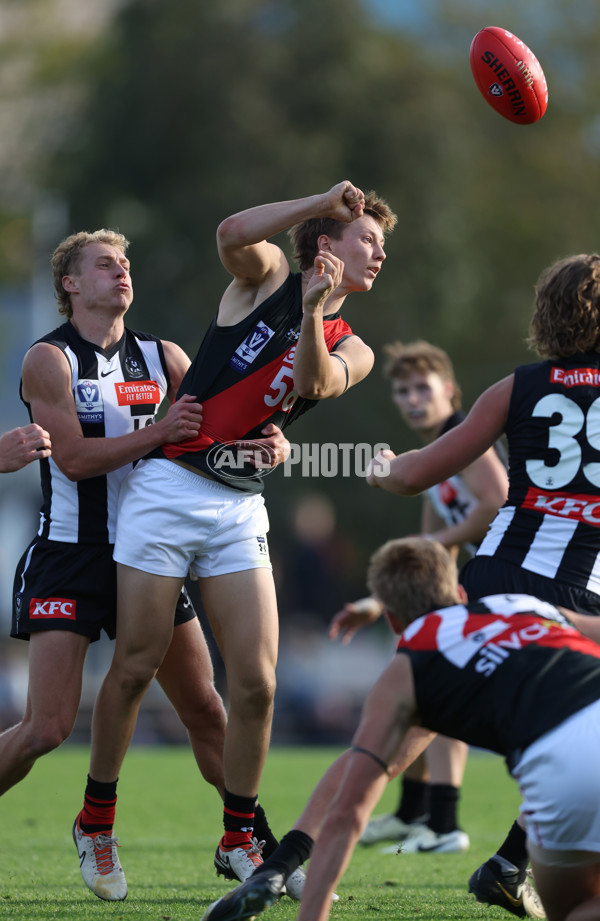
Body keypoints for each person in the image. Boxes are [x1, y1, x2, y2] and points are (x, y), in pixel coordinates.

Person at [78, 181, 396, 897]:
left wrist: (317, 315)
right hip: (167, 489)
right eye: (367, 238)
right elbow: (229, 231)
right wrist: (320, 201)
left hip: (238, 507)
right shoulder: (269, 280)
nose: (379, 253)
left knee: (256, 683)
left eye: (381, 243)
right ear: (327, 243)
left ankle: (237, 837)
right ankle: (96, 820)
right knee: (134, 664)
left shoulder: (358, 345)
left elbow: (317, 379)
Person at [2, 228, 288, 902]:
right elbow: (72, 459)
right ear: (71, 284)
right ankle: (95, 826)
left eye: (126, 263)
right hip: (72, 555)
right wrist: (164, 430)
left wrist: (266, 438)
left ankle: (254, 840)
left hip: (154, 552)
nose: (121, 272)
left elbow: (224, 420)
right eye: (104, 264)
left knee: (206, 707)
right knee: (46, 725)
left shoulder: (164, 357)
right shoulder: (49, 359)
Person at [363, 252, 600, 917]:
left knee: (419, 712)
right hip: (578, 597)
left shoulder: (516, 387)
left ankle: (302, 845)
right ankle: (512, 859)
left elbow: (416, 475)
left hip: (494, 575)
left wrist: (385, 470)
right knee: (576, 734)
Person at [200, 537, 600, 921]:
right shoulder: (521, 603)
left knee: (574, 909)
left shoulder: (406, 671)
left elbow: (349, 810)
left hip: (567, 774)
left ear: (392, 620)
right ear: (460, 592)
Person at [330, 340, 508, 855]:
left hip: (512, 577)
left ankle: (443, 824)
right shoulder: (435, 453)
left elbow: (496, 504)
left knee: (436, 682)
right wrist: (377, 600)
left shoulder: (459, 436)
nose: (412, 398)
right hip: (485, 575)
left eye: (422, 388)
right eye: (402, 390)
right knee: (424, 674)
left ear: (449, 391)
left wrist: (435, 547)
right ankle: (415, 815)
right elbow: (431, 556)